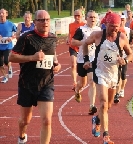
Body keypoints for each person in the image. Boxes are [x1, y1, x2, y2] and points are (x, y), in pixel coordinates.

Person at [8, 10, 61, 144]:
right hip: (27, 84)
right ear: (35, 22)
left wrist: (57, 65)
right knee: (25, 120)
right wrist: (32, 57)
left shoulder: (53, 38)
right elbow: (12, 57)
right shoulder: (26, 37)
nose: (45, 22)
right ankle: (22, 136)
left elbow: (53, 56)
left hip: (46, 84)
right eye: (41, 20)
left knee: (47, 120)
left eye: (47, 20)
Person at [82, 13, 133, 143]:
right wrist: (87, 60)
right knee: (103, 103)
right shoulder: (98, 35)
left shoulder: (122, 38)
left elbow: (130, 54)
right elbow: (85, 44)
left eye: (117, 26)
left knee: (108, 105)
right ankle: (106, 136)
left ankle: (97, 119)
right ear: (106, 24)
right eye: (112, 26)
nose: (114, 29)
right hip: (100, 73)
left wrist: (125, 61)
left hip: (114, 75)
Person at [71, 10, 101, 115]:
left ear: (97, 19)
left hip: (94, 59)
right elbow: (73, 42)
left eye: (94, 17)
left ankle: (91, 106)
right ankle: (77, 91)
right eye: (90, 17)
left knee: (92, 81)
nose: (92, 19)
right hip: (81, 59)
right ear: (86, 18)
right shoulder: (81, 30)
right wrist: (84, 42)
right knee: (82, 83)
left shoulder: (99, 30)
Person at [66, 9, 85, 90]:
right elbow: (70, 34)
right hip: (73, 47)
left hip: (82, 47)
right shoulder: (71, 25)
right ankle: (74, 82)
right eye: (75, 15)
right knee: (73, 64)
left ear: (82, 16)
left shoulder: (85, 25)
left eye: (78, 15)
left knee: (82, 66)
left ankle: (81, 81)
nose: (77, 17)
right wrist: (68, 39)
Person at [0, 8, 17, 83]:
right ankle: (5, 77)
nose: (1, 15)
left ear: (6, 14)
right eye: (0, 13)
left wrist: (12, 37)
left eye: (3, 13)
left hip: (8, 46)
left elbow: (17, 32)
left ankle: (10, 67)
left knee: (6, 61)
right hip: (0, 46)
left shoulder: (10, 24)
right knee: (0, 63)